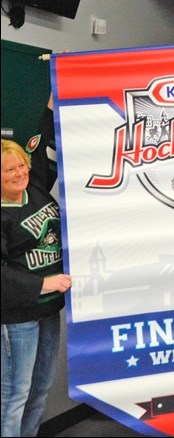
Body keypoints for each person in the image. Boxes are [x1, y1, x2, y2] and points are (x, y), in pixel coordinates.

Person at [2, 93, 72, 437]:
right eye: (9, 169)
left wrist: (52, 99)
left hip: (48, 310)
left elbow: (45, 142)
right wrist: (46, 284)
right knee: (14, 396)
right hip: (17, 317)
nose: (19, 173)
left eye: (21, 165)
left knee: (39, 391)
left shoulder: (37, 189)